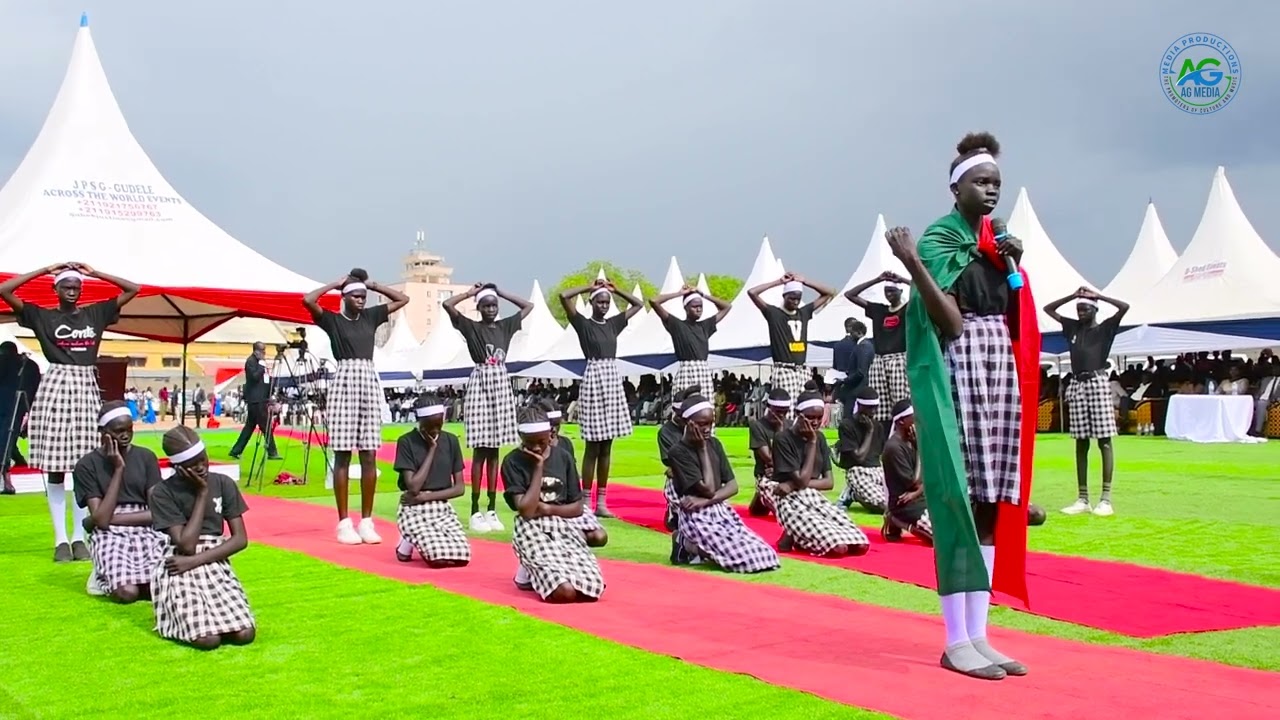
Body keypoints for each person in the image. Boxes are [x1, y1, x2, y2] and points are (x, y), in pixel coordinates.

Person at [887, 131, 1040, 680]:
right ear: (957, 188)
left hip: (999, 369)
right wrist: (911, 263)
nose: (992, 189)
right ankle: (955, 640)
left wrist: (1007, 259)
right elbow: (947, 323)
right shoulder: (938, 241)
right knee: (962, 499)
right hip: (964, 369)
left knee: (991, 507)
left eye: (997, 181)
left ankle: (980, 636)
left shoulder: (999, 243)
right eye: (981, 181)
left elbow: (1015, 309)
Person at [0, 262, 139, 562]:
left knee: (84, 466)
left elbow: (133, 289)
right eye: (66, 286)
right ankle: (60, 539)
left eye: (76, 286)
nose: (72, 291)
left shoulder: (94, 313)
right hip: (56, 386)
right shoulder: (42, 316)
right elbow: (4, 291)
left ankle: (79, 537)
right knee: (55, 466)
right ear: (56, 289)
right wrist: (47, 269)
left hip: (86, 386)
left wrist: (96, 273)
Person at [304, 268, 410, 545]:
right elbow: (308, 300)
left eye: (364, 296)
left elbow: (403, 299)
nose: (362, 300)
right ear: (345, 298)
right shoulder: (333, 321)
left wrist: (373, 285)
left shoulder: (372, 317)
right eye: (356, 296)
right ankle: (343, 522)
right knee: (342, 454)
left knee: (369, 454)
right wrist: (335, 283)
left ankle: (366, 521)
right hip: (344, 380)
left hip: (368, 380)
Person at [149, 426, 255, 650]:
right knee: (207, 639)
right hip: (179, 563)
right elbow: (186, 545)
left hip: (213, 560)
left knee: (245, 634)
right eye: (192, 465)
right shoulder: (161, 492)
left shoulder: (224, 484)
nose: (201, 467)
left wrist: (196, 560)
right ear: (177, 467)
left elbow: (240, 539)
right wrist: (202, 494)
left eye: (203, 459)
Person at [443, 283, 533, 533]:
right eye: (486, 305)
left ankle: (491, 508)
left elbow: (529, 306)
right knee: (480, 451)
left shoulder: (506, 325)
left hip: (501, 382)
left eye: (494, 305)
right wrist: (471, 293)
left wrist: (500, 291)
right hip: (481, 381)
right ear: (479, 308)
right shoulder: (472, 327)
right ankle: (474, 510)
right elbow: (447, 305)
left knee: (494, 452)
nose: (491, 309)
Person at [501, 407, 605, 603]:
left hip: (562, 523)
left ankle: (534, 569)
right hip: (532, 527)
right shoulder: (512, 461)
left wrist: (548, 509)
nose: (537, 448)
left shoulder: (563, 457)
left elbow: (577, 507)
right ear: (520, 436)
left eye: (542, 442)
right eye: (530, 443)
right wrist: (538, 466)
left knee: (591, 588)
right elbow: (526, 510)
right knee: (565, 593)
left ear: (551, 434)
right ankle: (532, 567)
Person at [558, 278, 643, 518]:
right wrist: (590, 287)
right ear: (592, 303)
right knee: (593, 446)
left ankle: (602, 502)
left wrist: (617, 290)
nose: (604, 305)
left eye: (607, 302)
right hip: (594, 378)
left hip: (612, 378)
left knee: (607, 445)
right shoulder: (583, 324)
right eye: (600, 301)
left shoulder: (613, 324)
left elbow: (637, 305)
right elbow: (564, 297)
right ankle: (585, 500)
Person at [667, 393, 779, 573]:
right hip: (696, 515)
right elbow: (709, 489)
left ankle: (697, 548)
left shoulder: (715, 444)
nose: (707, 429)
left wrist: (707, 500)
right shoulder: (679, 452)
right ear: (687, 423)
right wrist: (702, 449)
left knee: (766, 555)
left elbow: (733, 486)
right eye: (702, 424)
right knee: (744, 561)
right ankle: (686, 542)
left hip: (718, 509)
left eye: (710, 424)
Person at [1044, 287, 1128, 517]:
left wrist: (1098, 296)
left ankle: (1106, 499)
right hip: (1078, 384)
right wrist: (1072, 296)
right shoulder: (1072, 327)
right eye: (1078, 309)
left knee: (1104, 440)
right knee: (1080, 441)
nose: (1080, 313)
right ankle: (1083, 498)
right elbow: (1048, 309)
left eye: (1085, 309)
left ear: (1094, 310)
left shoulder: (1104, 329)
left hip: (1097, 382)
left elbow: (1124, 307)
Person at [74, 401, 165, 602]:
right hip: (109, 535)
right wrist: (118, 469)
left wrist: (100, 519)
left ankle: (110, 574)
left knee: (160, 588)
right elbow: (102, 522)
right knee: (127, 593)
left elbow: (157, 513)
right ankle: (103, 576)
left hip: (144, 529)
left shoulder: (146, 457)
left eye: (129, 429)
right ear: (102, 431)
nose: (125, 435)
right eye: (118, 431)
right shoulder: (87, 465)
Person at [766, 387, 870, 557]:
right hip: (790, 500)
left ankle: (795, 537)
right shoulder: (783, 439)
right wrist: (812, 442)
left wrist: (793, 485)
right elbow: (801, 480)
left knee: (860, 545)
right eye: (810, 417)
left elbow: (829, 483)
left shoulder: (820, 437)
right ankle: (799, 537)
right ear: (798, 415)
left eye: (819, 418)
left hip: (812, 496)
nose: (815, 423)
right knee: (839, 549)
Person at [392, 396, 470, 568]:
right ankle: (408, 538)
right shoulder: (407, 442)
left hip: (440, 507)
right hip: (413, 508)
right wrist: (432, 449)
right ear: (420, 421)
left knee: (462, 557)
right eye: (430, 426)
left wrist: (426, 498)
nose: (435, 430)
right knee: (438, 560)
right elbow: (413, 487)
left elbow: (459, 488)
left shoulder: (450, 441)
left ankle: (409, 539)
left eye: (439, 424)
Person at [747, 272, 837, 405]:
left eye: (798, 299)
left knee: (804, 409)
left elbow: (829, 293)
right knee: (784, 409)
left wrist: (804, 281)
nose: (795, 302)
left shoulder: (804, 313)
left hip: (802, 370)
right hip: (784, 370)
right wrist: (778, 282)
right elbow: (752, 292)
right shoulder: (774, 314)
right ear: (784, 296)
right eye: (792, 298)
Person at [844, 272, 912, 430]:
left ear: (901, 291)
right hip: (879, 361)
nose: (889, 294)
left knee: (902, 404)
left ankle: (904, 438)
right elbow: (850, 294)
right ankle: (882, 440)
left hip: (899, 360)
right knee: (880, 407)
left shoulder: (909, 308)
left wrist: (902, 279)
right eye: (886, 291)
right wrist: (877, 279)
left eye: (892, 291)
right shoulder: (879, 310)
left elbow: (923, 291)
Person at [649, 286, 731, 396]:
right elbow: (654, 301)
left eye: (700, 306)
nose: (698, 309)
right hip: (686, 372)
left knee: (706, 411)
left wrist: (703, 294)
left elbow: (727, 306)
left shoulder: (705, 326)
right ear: (686, 308)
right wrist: (680, 293)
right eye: (694, 306)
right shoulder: (677, 325)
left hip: (703, 373)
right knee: (684, 408)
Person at [880, 399, 933, 546]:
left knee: (953, 532)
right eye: (914, 417)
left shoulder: (911, 441)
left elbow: (929, 475)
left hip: (918, 499)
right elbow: (914, 482)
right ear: (901, 421)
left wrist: (918, 491)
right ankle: (895, 519)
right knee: (942, 540)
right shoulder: (894, 448)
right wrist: (920, 450)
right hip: (904, 505)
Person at [833, 387, 888, 513]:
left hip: (877, 470)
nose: (872, 412)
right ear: (859, 405)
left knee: (898, 501)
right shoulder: (847, 425)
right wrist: (869, 432)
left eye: (875, 407)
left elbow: (880, 454)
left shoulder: (878, 426)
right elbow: (859, 457)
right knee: (884, 506)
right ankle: (854, 493)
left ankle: (854, 493)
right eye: (869, 408)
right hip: (858, 470)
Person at [228, 342, 279, 461]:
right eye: (262, 351)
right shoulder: (250, 362)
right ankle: (272, 452)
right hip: (256, 400)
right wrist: (261, 366)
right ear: (256, 351)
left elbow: (265, 381)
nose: (264, 354)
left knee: (249, 427)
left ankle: (236, 451)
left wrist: (270, 394)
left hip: (261, 399)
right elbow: (254, 377)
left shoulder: (260, 362)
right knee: (266, 426)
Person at [746, 387, 791, 517]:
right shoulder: (758, 426)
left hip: (788, 475)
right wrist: (779, 431)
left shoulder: (792, 425)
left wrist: (781, 468)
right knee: (786, 513)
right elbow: (768, 459)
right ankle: (761, 498)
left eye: (784, 412)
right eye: (777, 411)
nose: (780, 415)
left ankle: (760, 501)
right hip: (767, 477)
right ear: (768, 407)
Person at [831, 319, 874, 420]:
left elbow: (860, 372)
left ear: (859, 333)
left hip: (856, 389)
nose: (850, 336)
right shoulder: (865, 345)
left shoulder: (863, 347)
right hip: (857, 388)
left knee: (849, 419)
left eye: (852, 333)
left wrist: (844, 380)